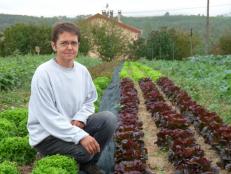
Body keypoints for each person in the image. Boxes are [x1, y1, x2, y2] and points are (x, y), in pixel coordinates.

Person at [27, 22, 117, 174]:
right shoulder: (43, 73)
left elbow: (89, 100)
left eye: (73, 43)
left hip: (72, 128)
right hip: (48, 136)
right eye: (64, 43)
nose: (69, 47)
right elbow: (49, 118)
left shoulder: (82, 71)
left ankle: (89, 164)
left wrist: (81, 118)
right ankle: (45, 155)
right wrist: (80, 136)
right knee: (86, 151)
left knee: (108, 119)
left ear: (78, 45)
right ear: (54, 46)